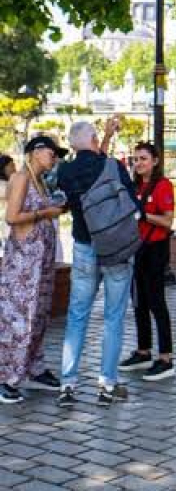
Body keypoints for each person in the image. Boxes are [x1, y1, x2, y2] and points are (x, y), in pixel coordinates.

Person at [56, 117, 141, 406]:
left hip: (82, 246)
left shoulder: (65, 171)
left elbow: (63, 202)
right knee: (113, 316)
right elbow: (132, 201)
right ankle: (107, 383)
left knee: (77, 315)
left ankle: (67, 384)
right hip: (115, 246)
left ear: (71, 145)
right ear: (93, 140)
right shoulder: (112, 166)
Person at [0, 137, 68, 405]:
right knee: (18, 320)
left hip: (41, 263)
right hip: (23, 265)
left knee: (39, 317)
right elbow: (12, 217)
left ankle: (33, 369)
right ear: (36, 152)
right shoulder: (21, 178)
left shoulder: (42, 181)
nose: (55, 158)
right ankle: (6, 377)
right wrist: (44, 214)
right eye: (52, 153)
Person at [119, 142, 176, 381]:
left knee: (156, 301)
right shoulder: (134, 186)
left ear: (155, 161)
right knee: (139, 301)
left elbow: (168, 221)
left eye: (143, 158)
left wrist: (144, 215)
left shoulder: (163, 186)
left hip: (155, 248)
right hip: (136, 249)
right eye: (135, 159)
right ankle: (143, 351)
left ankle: (165, 358)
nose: (138, 163)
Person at [0, 155, 16, 257]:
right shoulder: (2, 185)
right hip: (5, 230)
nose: (14, 168)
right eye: (11, 165)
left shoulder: (9, 183)